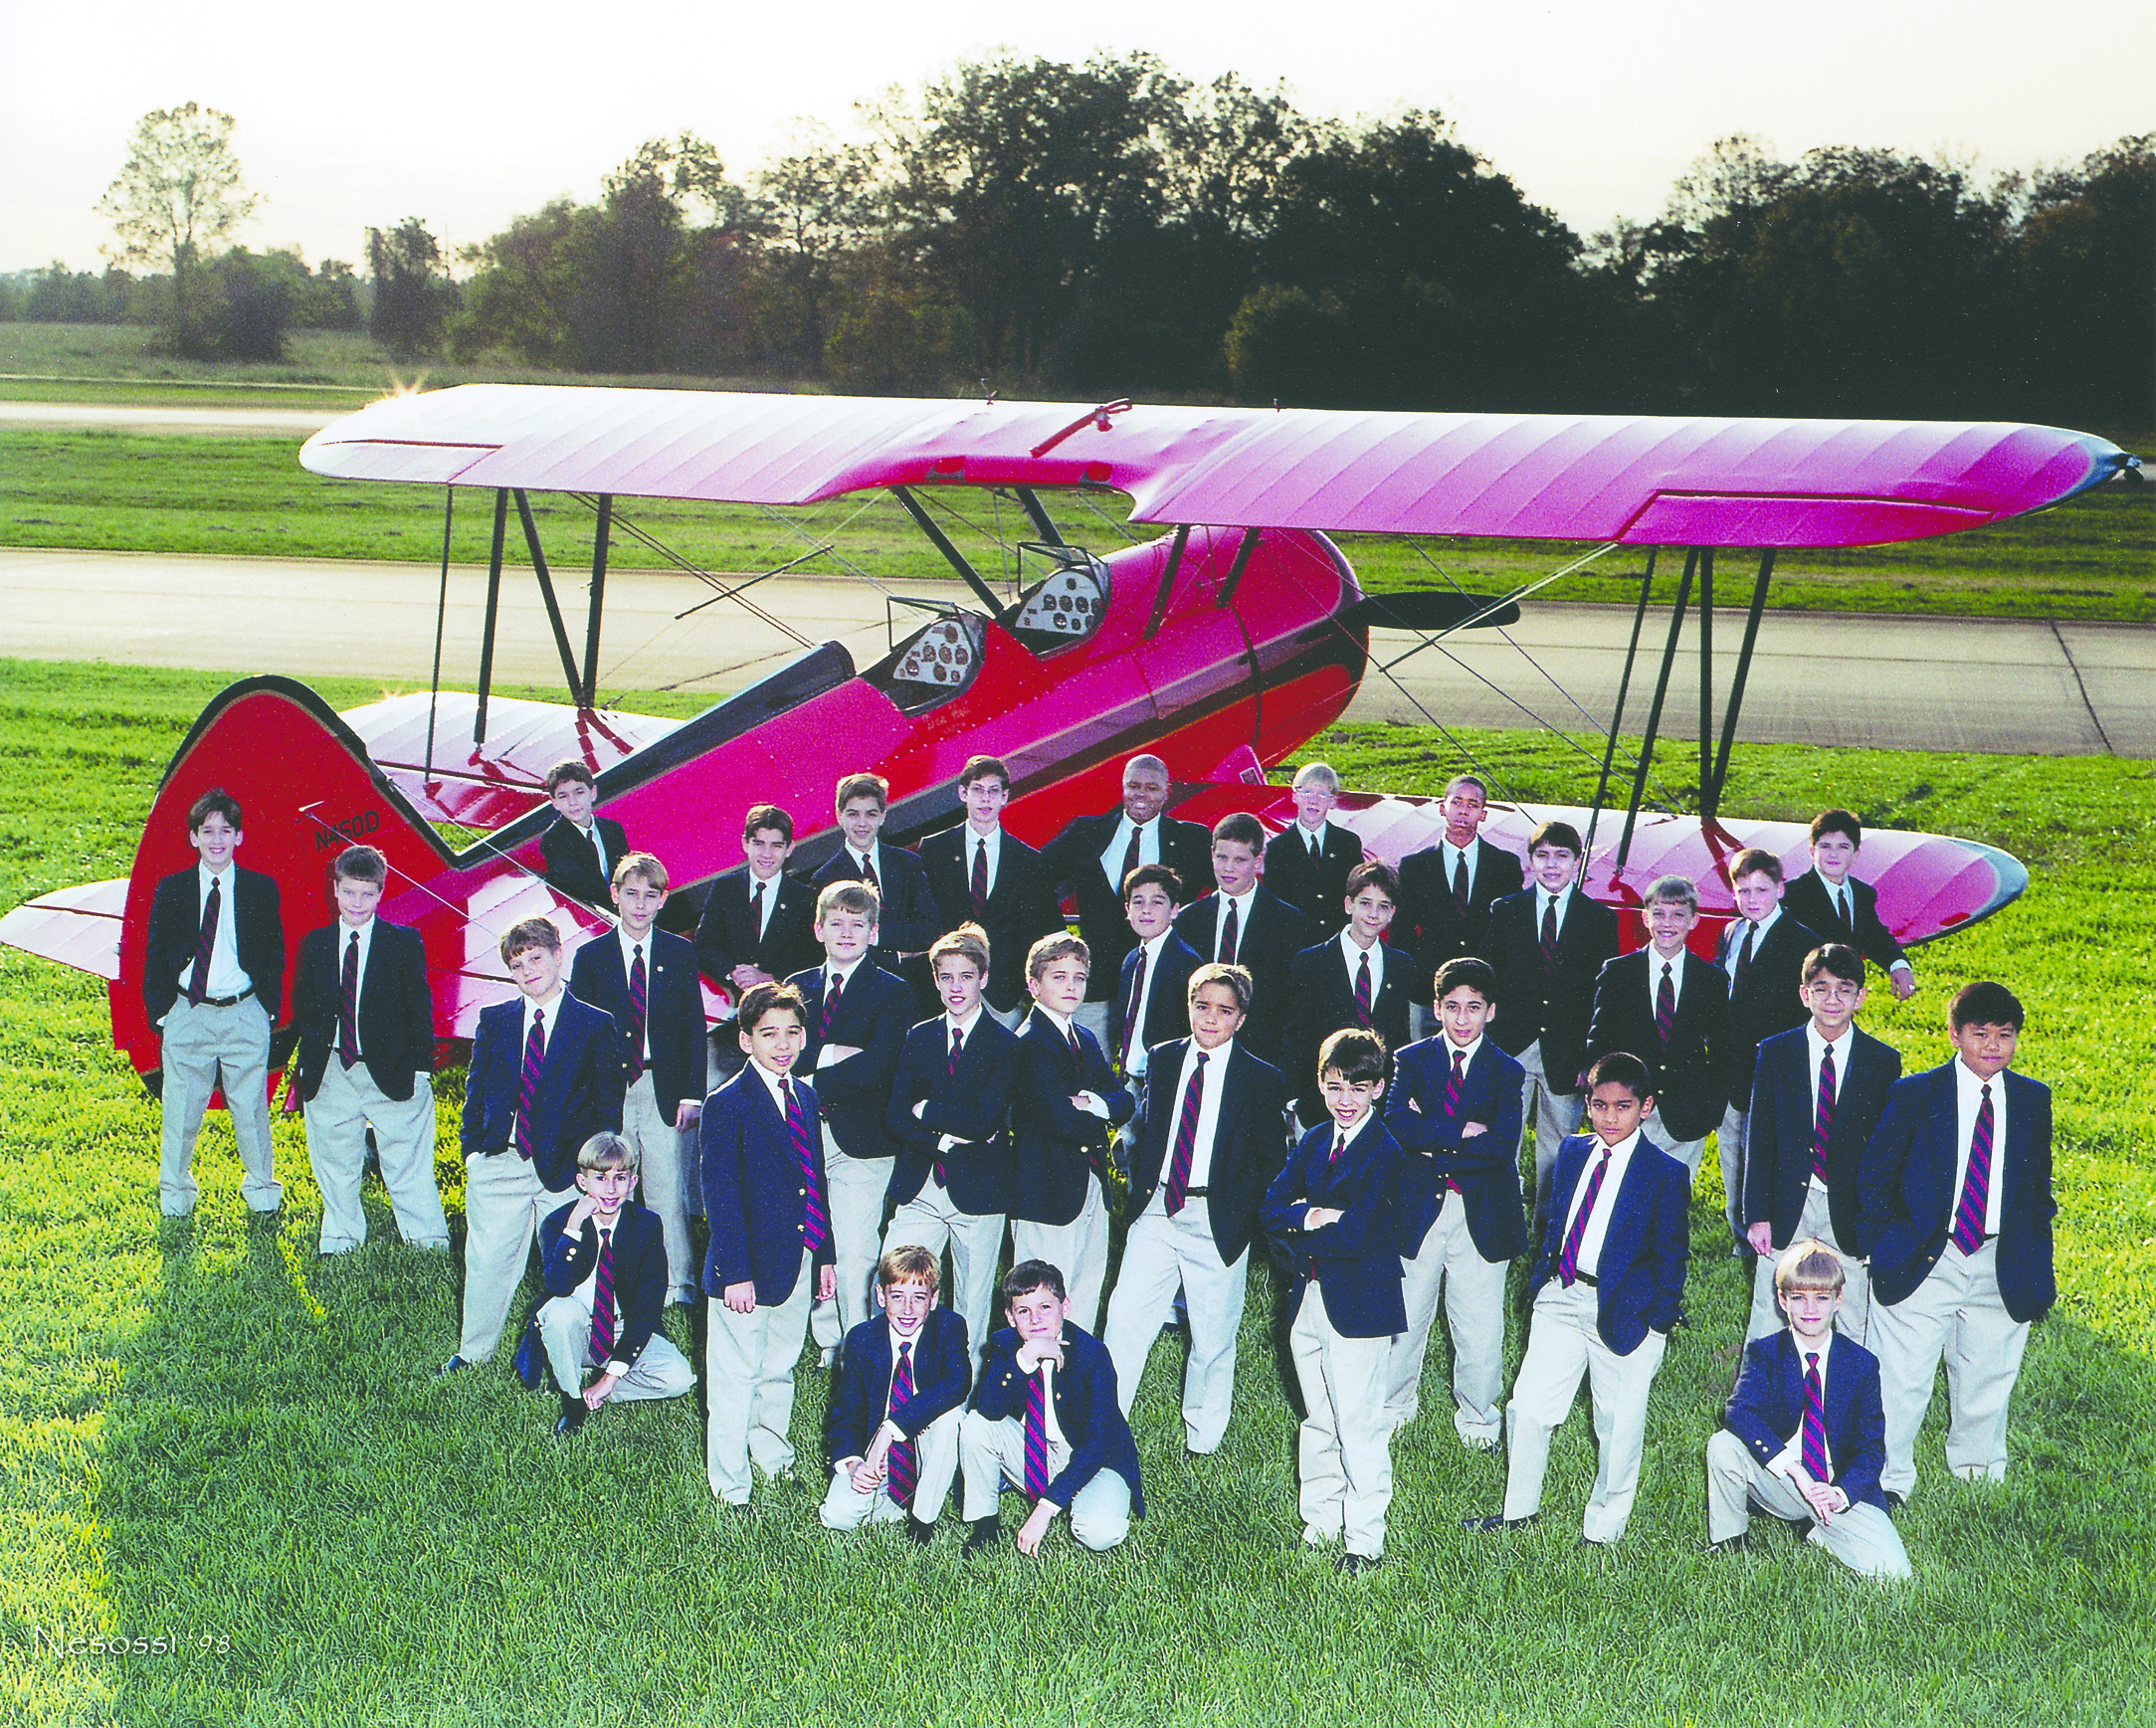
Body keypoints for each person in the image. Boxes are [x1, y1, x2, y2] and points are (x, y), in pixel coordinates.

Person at [1468, 1053, 1687, 1547]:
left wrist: (1657, 1323)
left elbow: (1673, 1256)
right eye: (1599, 1105)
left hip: (1625, 1310)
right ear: (1587, 1104)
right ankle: (1519, 1511)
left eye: (1623, 1107)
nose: (1610, 1117)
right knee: (1528, 1406)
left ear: (1646, 1107)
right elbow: (1557, 1219)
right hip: (1564, 1296)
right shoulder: (1571, 1151)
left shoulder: (1663, 1173)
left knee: (1618, 1424)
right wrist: (1546, 1278)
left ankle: (1604, 1530)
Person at [1858, 982, 2054, 1505]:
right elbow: (1875, 1176)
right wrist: (1885, 1243)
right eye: (1979, 1033)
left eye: (2004, 1035)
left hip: (1998, 1256)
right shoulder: (1916, 1094)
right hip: (1928, 1254)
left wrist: (2037, 1259)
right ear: (1954, 1034)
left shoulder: (2031, 1100)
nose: (1992, 1046)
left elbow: (2037, 1190)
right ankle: (1885, 1479)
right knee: (1901, 1376)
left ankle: (1977, 1469)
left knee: (1989, 1371)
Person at [1100, 963, 1287, 1454]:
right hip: (1159, 1208)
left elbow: (1271, 1160)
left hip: (1216, 1216)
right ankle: (1105, 1427)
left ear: (1240, 1019)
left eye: (1224, 1011)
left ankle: (1203, 1438)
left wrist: (1244, 1218)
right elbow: (1150, 1131)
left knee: (1212, 1335)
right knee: (1125, 1320)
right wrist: (1142, 1189)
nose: (1210, 1018)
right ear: (1188, 1006)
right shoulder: (1163, 1059)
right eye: (1201, 1006)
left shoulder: (1260, 1077)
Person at [443, 917, 625, 1374]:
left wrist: (596, 1173)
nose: (528, 971)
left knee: (573, 1258)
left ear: (559, 955)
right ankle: (473, 1352)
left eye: (536, 958)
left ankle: (585, 1349)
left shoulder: (594, 1023)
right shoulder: (496, 1020)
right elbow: (476, 1092)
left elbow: (607, 1107)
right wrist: (473, 1152)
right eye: (517, 965)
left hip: (566, 1167)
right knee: (487, 1260)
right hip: (502, 1159)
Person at [1262, 1028, 1406, 1575]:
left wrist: (1302, 1225)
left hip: (1360, 1306)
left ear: (1378, 1089)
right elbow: (1271, 1208)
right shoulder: (1316, 1139)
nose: (1346, 1100)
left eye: (1358, 1088)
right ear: (1320, 1085)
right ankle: (1320, 1522)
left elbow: (1360, 1235)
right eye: (1335, 1086)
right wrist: (1314, 1215)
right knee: (1318, 1418)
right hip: (1309, 1296)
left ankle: (1364, 1539)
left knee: (1358, 1422)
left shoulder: (1385, 1152)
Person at [699, 981, 839, 1514]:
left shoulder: (804, 1095)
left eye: (792, 1032)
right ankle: (730, 1485)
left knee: (779, 1365)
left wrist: (823, 1254)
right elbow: (721, 1196)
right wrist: (735, 1272)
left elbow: (814, 1178)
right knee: (736, 1375)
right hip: (745, 1267)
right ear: (745, 1040)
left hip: (796, 1256)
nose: (782, 1044)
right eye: (768, 1034)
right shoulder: (727, 1103)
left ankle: (772, 1455)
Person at [1381, 957, 1526, 1446]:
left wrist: (1430, 1139)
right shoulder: (1410, 1060)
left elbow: (1501, 1146)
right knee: (1405, 1313)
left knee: (1479, 1324)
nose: (1462, 1019)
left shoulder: (1507, 1071)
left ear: (1491, 1011)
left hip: (1479, 1211)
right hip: (1417, 1206)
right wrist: (1463, 1130)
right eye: (1452, 1007)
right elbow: (1395, 1126)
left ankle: (1479, 1420)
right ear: (1436, 1008)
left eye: (1473, 1007)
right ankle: (1393, 1407)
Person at [1705, 1239, 1912, 1578]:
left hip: (1833, 1481)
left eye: (1822, 1298)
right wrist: (1795, 1470)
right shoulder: (1766, 1352)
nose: (1811, 1309)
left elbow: (1871, 1450)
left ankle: (1817, 1527)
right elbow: (1738, 1411)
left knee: (1893, 1574)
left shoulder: (1860, 1364)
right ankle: (1729, 1541)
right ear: (1782, 1300)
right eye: (1799, 1297)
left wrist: (1840, 1494)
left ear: (1838, 1300)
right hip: (1784, 1475)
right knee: (1723, 1445)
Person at [1740, 943, 1901, 1343]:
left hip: (1849, 1207)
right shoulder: (1777, 1052)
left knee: (1854, 1312)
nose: (1832, 999)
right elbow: (1760, 1136)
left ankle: (1848, 1382)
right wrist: (1757, 1213)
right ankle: (1762, 1383)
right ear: (1804, 994)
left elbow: (1886, 1150)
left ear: (1860, 997)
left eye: (1844, 990)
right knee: (1769, 1309)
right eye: (1822, 988)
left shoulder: (1881, 1061)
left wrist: (1876, 1220)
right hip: (1787, 1203)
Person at [290, 843, 444, 1253]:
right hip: (332, 1067)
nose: (357, 903)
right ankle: (340, 1237)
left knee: (406, 1159)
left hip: (390, 1067)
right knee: (335, 1160)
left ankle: (426, 1239)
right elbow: (306, 1008)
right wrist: (308, 1064)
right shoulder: (316, 943)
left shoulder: (402, 942)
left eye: (367, 894)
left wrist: (421, 1068)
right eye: (348, 892)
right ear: (335, 889)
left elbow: (419, 1007)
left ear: (380, 893)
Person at [569, 852, 706, 1305]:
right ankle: (616, 1279)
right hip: (612, 1089)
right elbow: (581, 1032)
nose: (641, 904)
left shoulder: (678, 952)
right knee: (612, 1185)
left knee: (667, 1186)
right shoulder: (592, 957)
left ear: (663, 899)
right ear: (614, 895)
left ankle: (677, 1283)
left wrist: (692, 1094)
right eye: (631, 894)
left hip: (662, 1086)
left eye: (651, 895)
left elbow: (692, 1027)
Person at [144, 786, 286, 1219]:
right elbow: (155, 953)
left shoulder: (260, 888)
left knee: (251, 1109)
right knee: (181, 1110)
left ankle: (262, 1190)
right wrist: (164, 1013)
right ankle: (175, 1194)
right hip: (190, 1010)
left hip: (244, 1010)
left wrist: (266, 1008)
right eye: (207, 831)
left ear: (239, 836)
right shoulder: (173, 889)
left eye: (226, 830)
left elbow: (274, 951)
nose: (217, 839)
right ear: (193, 838)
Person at [787, 880, 913, 1351]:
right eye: (836, 923)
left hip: (861, 1138)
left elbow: (880, 1066)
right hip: (802, 1133)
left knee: (856, 1247)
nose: (845, 932)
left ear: (873, 933)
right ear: (818, 929)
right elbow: (780, 1051)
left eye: (857, 925)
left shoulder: (892, 991)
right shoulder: (798, 985)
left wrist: (810, 1075)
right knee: (811, 1236)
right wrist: (831, 1052)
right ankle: (827, 1341)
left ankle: (860, 1341)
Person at [882, 925, 1019, 1356]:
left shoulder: (1005, 1044)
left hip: (979, 1191)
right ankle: (897, 1375)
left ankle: (964, 1387)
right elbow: (895, 1115)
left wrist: (926, 1110)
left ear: (983, 978)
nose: (956, 987)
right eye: (946, 977)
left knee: (971, 1303)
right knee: (895, 1283)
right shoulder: (919, 1036)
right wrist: (939, 1142)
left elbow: (983, 1120)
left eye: (966, 977)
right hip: (922, 1184)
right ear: (935, 980)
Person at [960, 1259, 1145, 1557]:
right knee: (974, 1425)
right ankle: (985, 1525)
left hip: (1093, 1460)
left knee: (1099, 1532)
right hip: (1037, 1452)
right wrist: (1025, 1359)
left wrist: (1045, 1509)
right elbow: (988, 1408)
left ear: (1065, 1307)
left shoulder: (1092, 1354)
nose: (1035, 1319)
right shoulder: (1005, 1344)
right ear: (1010, 1317)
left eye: (1045, 1307)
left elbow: (1097, 1444)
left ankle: (1073, 1500)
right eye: (1023, 1311)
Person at [520, 1131, 694, 1438]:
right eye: (600, 1178)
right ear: (582, 1182)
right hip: (578, 1329)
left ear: (633, 1182)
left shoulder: (646, 1225)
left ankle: (596, 1388)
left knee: (678, 1378)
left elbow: (648, 1307)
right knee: (559, 1313)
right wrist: (574, 1227)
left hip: (622, 1326)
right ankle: (572, 1401)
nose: (611, 1189)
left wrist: (610, 1378)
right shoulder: (559, 1222)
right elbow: (558, 1286)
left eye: (620, 1178)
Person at [1484, 820, 1619, 1209]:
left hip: (1567, 1054)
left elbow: (1604, 998)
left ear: (1577, 861)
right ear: (1530, 861)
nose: (1552, 864)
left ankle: (1551, 1220)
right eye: (1542, 855)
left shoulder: (1598, 918)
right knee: (1503, 1134)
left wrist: (1592, 1059)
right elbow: (1487, 978)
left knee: (1559, 1142)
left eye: (1562, 856)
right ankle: (1501, 1213)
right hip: (1511, 1046)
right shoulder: (1506, 910)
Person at [1007, 935, 1135, 1333]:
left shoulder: (1084, 1038)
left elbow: (1124, 1101)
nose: (1071, 986)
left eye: (1079, 978)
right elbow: (1059, 1119)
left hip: (1089, 1180)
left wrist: (1091, 1102)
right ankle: (1037, 1365)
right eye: (1058, 977)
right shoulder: (1030, 1041)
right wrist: (1099, 1110)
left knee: (1083, 1288)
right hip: (1046, 1189)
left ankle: (1074, 1363)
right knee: (1041, 1298)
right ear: (1034, 985)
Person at [1042, 754, 1213, 1049]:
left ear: (1167, 791)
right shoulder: (1086, 832)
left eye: (1151, 788)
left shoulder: (1192, 839)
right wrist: (1058, 936)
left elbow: (1226, 893)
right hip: (1096, 985)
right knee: (1086, 1067)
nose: (1141, 794)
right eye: (1134, 786)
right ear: (1122, 786)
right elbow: (1034, 878)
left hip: (1164, 988)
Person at [822, 1245, 973, 1542]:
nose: (907, 1309)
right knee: (838, 1517)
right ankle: (895, 1504)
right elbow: (847, 1412)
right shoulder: (862, 1338)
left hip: (925, 1443)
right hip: (880, 1453)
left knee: (951, 1418)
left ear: (933, 1299)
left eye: (918, 1298)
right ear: (881, 1296)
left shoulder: (949, 1327)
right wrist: (854, 1464)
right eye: (897, 1297)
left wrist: (891, 1428)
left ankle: (922, 1519)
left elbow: (958, 1383)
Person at [1583, 873, 1728, 1177]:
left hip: (1685, 1113)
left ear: (1694, 920)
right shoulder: (1619, 972)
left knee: (1675, 1194)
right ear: (1645, 918)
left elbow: (1722, 1048)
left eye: (1678, 915)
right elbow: (1600, 1040)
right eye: (1659, 914)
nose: (1667, 924)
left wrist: (1712, 1107)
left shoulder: (1710, 979)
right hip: (1629, 1109)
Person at [1717, 848, 1820, 1257]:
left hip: (1772, 1067)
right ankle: (1740, 1234)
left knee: (1764, 1152)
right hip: (1731, 1066)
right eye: (1743, 891)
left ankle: (1771, 1233)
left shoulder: (1801, 941)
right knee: (1731, 1149)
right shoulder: (1732, 933)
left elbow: (1804, 1011)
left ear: (1780, 889)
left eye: (1761, 889)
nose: (1752, 899)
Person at [917, 755, 1062, 1031]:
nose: (985, 799)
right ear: (963, 793)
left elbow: (1045, 927)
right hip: (944, 991)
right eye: (977, 790)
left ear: (1005, 797)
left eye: (993, 791)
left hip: (1002, 993)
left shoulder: (1027, 859)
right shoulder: (934, 850)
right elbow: (924, 916)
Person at [1282, 862, 1414, 1131]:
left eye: (1383, 906)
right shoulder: (1311, 962)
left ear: (1392, 913)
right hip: (1319, 1108)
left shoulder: (1401, 965)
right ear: (1348, 904)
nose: (1374, 914)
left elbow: (1399, 1037)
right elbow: (1296, 1037)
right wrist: (1295, 1102)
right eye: (1365, 903)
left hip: (1378, 1110)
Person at [1176, 812, 1310, 1072]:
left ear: (1258, 860)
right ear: (1211, 854)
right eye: (1221, 857)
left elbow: (1296, 1009)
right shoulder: (1187, 919)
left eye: (1240, 860)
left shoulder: (1290, 924)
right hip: (1197, 1056)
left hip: (1261, 1059)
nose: (1228, 868)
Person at [1398, 773, 1523, 1011]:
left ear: (1483, 814)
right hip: (1428, 993)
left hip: (1486, 992)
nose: (1463, 811)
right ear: (1442, 808)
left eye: (1473, 805)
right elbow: (1402, 933)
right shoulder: (1414, 866)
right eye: (1456, 802)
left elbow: (1514, 933)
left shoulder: (1504, 866)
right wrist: (1411, 981)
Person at [811, 772, 941, 998]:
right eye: (853, 814)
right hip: (860, 991)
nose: (862, 823)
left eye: (870, 814)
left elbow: (929, 930)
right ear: (839, 816)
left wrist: (877, 936)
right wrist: (899, 954)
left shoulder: (908, 864)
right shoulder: (825, 878)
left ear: (882, 816)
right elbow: (835, 947)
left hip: (915, 988)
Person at [692, 803, 821, 1011]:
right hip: (734, 1009)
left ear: (789, 848)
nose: (766, 854)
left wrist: (770, 977)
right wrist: (733, 972)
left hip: (785, 1007)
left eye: (776, 845)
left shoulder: (805, 898)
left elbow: (812, 957)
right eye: (759, 844)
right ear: (745, 843)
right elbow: (704, 944)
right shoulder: (725, 889)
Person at [1781, 809, 1916, 1001]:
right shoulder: (1793, 895)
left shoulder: (1862, 893)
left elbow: (1875, 937)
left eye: (1843, 847)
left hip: (1845, 999)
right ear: (1812, 851)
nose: (1833, 854)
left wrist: (1898, 965)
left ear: (1855, 853)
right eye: (1825, 846)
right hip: (1801, 1000)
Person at [1113, 864, 1201, 1091]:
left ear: (1174, 910)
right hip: (1131, 1078)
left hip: (1164, 1080)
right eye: (1138, 902)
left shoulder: (1186, 962)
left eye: (1157, 902)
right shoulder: (1132, 960)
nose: (1146, 910)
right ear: (1127, 909)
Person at [1263, 761, 1361, 937]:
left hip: (1338, 941)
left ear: (1332, 802)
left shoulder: (1348, 844)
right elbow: (1275, 906)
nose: (1313, 800)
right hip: (1296, 942)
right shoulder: (1277, 849)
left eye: (1322, 794)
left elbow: (1357, 894)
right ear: (1295, 796)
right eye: (1307, 792)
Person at [535, 760, 627, 907]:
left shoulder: (612, 829)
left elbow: (625, 874)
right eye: (563, 796)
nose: (572, 802)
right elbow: (581, 887)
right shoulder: (553, 840)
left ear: (593, 793)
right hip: (594, 912)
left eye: (579, 792)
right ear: (554, 803)